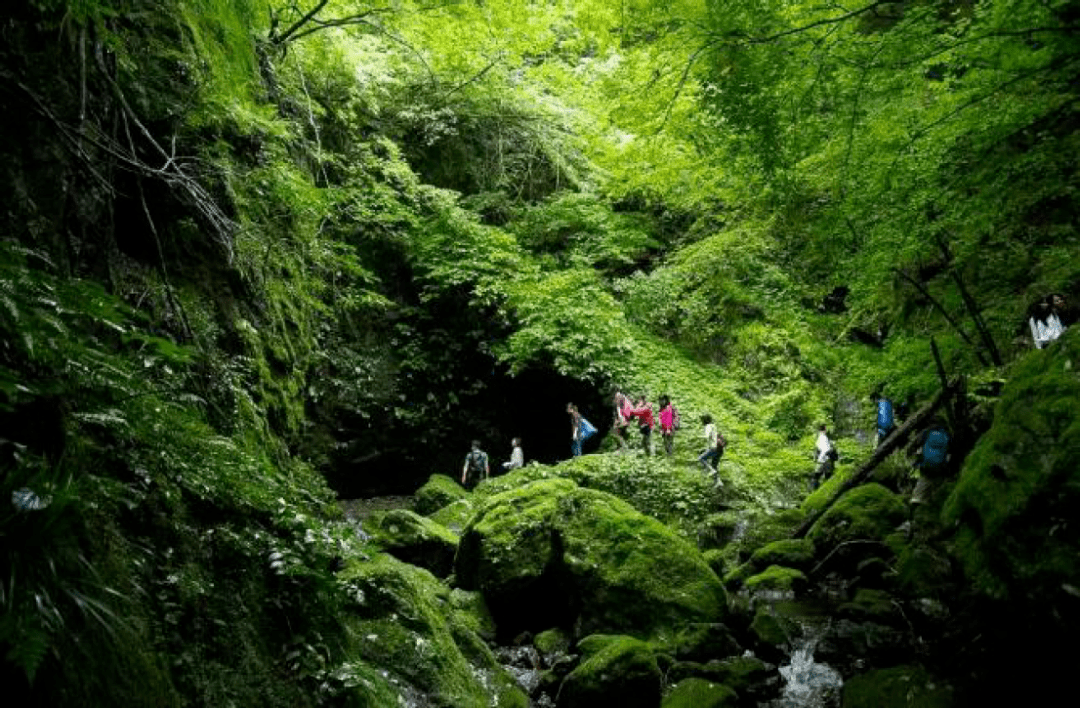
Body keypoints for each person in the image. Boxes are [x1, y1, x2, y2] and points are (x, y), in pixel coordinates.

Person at [908, 417, 951, 507]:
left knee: (923, 482)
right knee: (936, 486)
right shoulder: (946, 434)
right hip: (940, 467)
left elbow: (915, 445)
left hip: (926, 466)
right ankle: (932, 503)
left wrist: (914, 458)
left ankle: (916, 501)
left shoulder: (927, 432)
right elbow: (949, 452)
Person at [697, 414, 724, 484]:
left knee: (701, 458)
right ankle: (718, 482)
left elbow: (707, 436)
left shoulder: (708, 426)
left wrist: (699, 437)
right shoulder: (713, 426)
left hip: (713, 448)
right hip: (720, 449)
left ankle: (711, 470)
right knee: (714, 465)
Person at [810, 424, 835, 491]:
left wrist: (819, 459)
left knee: (816, 475)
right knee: (826, 476)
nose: (826, 431)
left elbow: (824, 450)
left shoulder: (822, 438)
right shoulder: (824, 437)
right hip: (827, 459)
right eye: (825, 429)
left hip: (824, 460)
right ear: (824, 430)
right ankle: (824, 490)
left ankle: (815, 491)